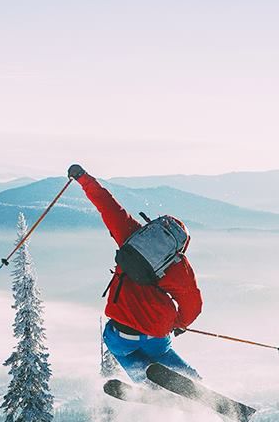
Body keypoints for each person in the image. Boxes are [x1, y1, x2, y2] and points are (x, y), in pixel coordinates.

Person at [68, 163, 202, 382]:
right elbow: (193, 304)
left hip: (122, 333)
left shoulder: (131, 235)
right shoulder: (179, 267)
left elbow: (107, 205)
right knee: (163, 353)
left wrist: (83, 178)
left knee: (121, 349)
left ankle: (145, 383)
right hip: (157, 333)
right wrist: (179, 323)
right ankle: (194, 381)